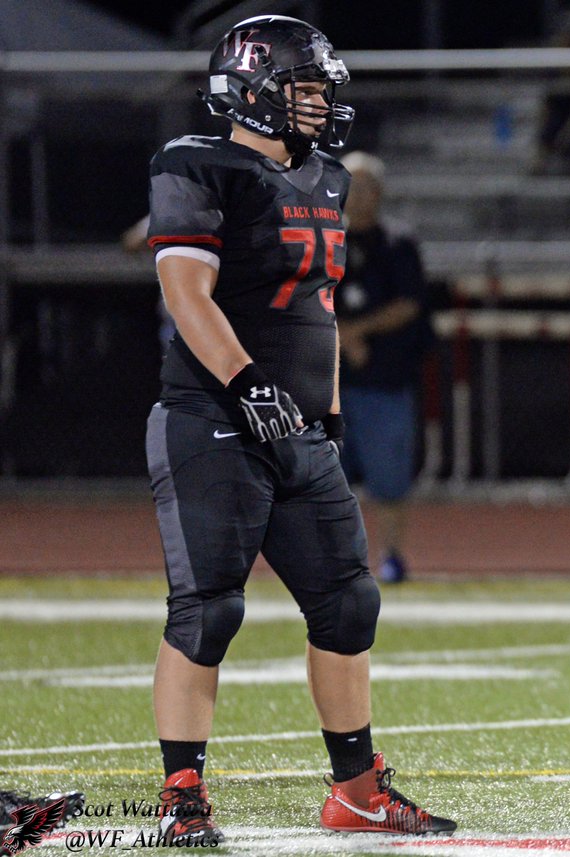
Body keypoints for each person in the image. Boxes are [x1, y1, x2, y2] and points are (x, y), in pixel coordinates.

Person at [144, 15, 456, 843]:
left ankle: (355, 789)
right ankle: (182, 797)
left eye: (321, 89)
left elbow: (315, 309)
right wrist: (247, 384)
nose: (318, 104)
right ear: (250, 87)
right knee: (208, 611)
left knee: (349, 603)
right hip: (212, 415)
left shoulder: (327, 178)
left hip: (300, 425)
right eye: (304, 87)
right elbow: (186, 294)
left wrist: (332, 406)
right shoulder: (197, 166)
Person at [334, 151, 435, 584]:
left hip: (384, 381)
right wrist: (340, 336)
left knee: (389, 480)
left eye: (362, 186)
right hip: (329, 385)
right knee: (327, 482)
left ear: (378, 192)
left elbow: (409, 304)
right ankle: (335, 563)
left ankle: (391, 556)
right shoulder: (322, 241)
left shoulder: (398, 244)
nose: (354, 196)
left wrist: (356, 332)